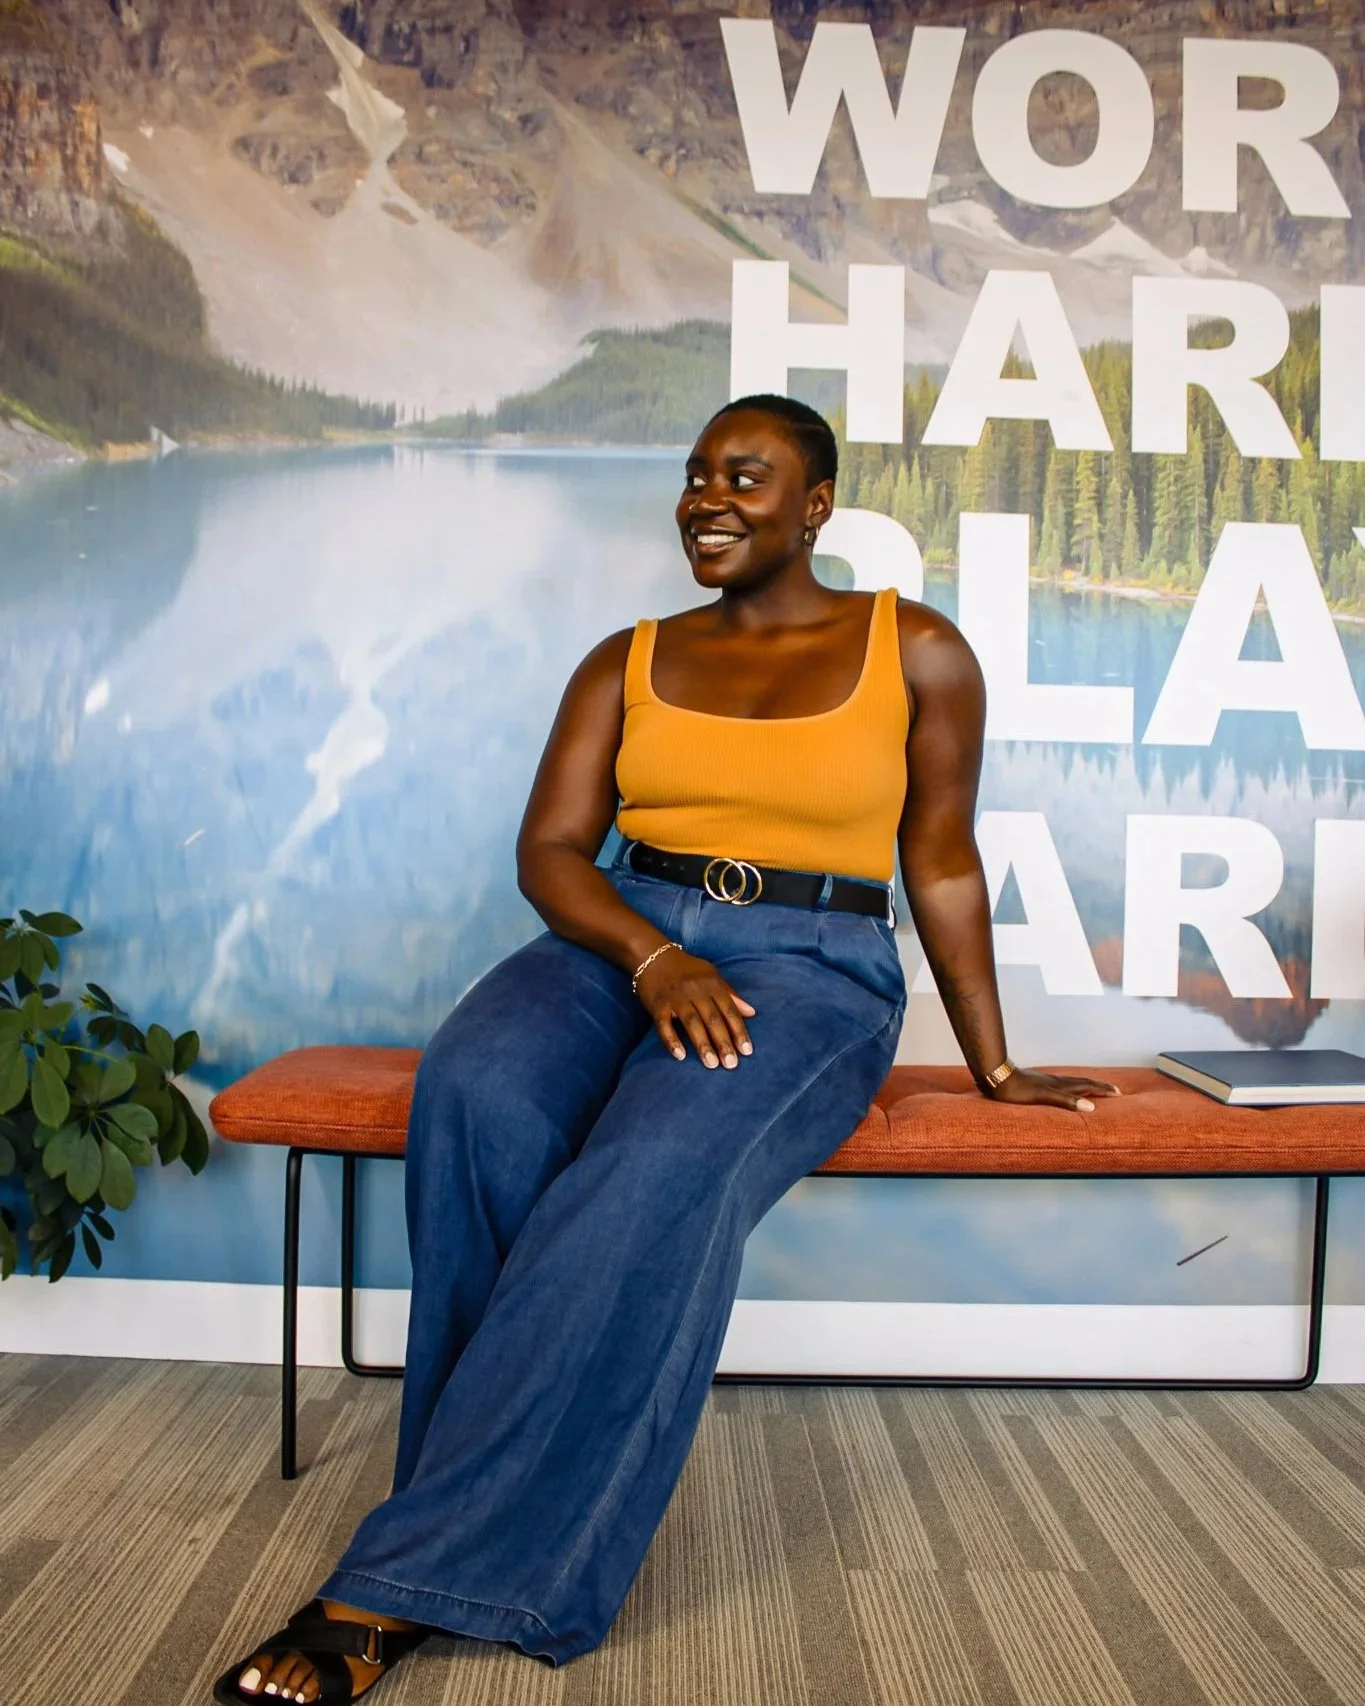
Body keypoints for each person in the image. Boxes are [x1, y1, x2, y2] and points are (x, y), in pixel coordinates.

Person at [214, 394, 1118, 1704]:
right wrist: (653, 955)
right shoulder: (625, 657)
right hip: (616, 939)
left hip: (812, 967)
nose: (707, 497)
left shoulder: (915, 650)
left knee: (647, 1171)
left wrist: (993, 1059)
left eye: (746, 477)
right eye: (696, 475)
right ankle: (474, 1520)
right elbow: (550, 854)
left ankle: (394, 1584)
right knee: (476, 1092)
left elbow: (942, 857)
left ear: (817, 506)